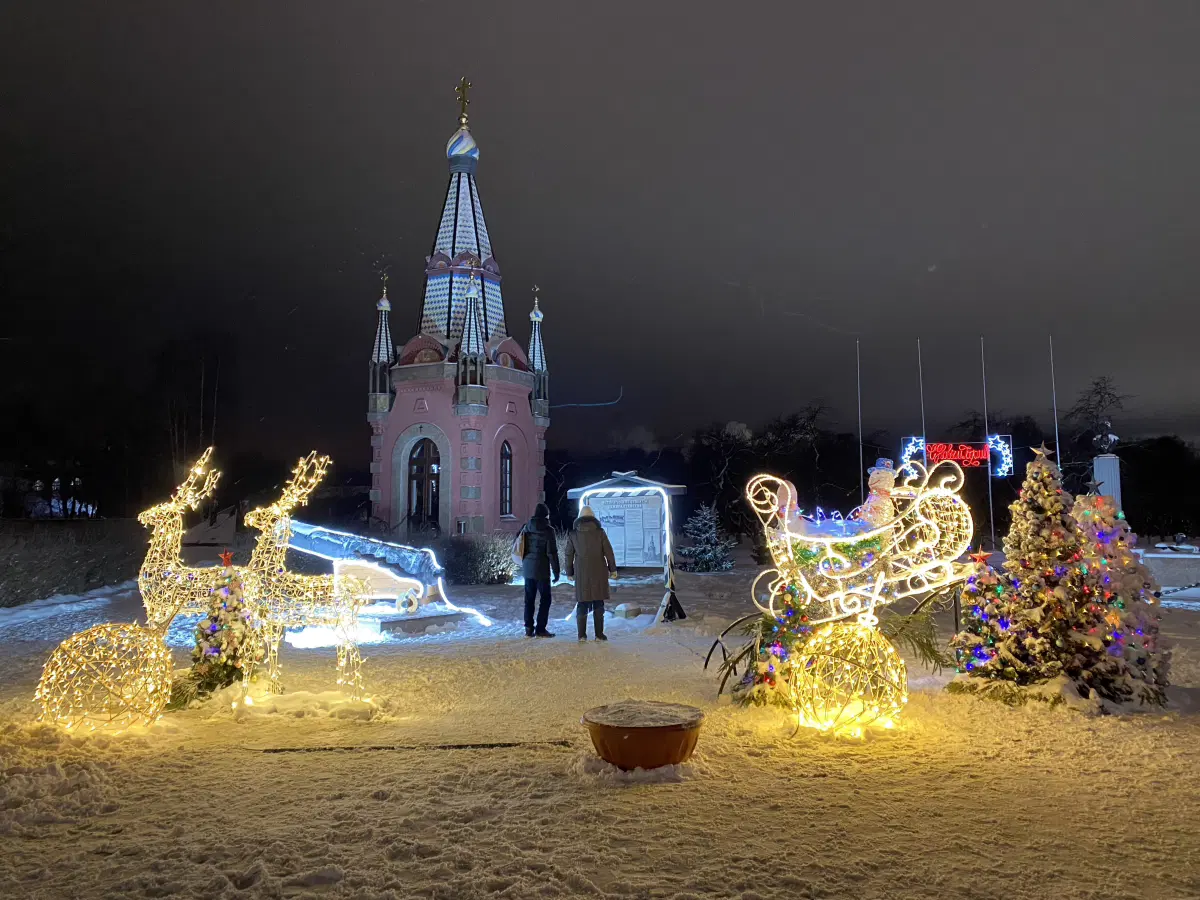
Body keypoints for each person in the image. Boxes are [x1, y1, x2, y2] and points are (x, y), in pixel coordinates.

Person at [565, 505, 617, 641]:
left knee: (582, 603)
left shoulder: (573, 534)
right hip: (599, 571)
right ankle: (599, 634)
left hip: (582, 573)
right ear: (593, 518)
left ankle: (581, 635)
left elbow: (568, 554)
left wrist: (569, 572)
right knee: (598, 602)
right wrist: (613, 569)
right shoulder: (600, 533)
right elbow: (609, 553)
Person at [519, 502, 560, 637]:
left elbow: (519, 545)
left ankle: (529, 628)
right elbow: (552, 553)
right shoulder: (549, 530)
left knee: (529, 599)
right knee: (545, 599)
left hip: (528, 569)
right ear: (546, 515)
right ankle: (541, 628)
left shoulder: (526, 528)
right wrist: (556, 571)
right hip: (542, 570)